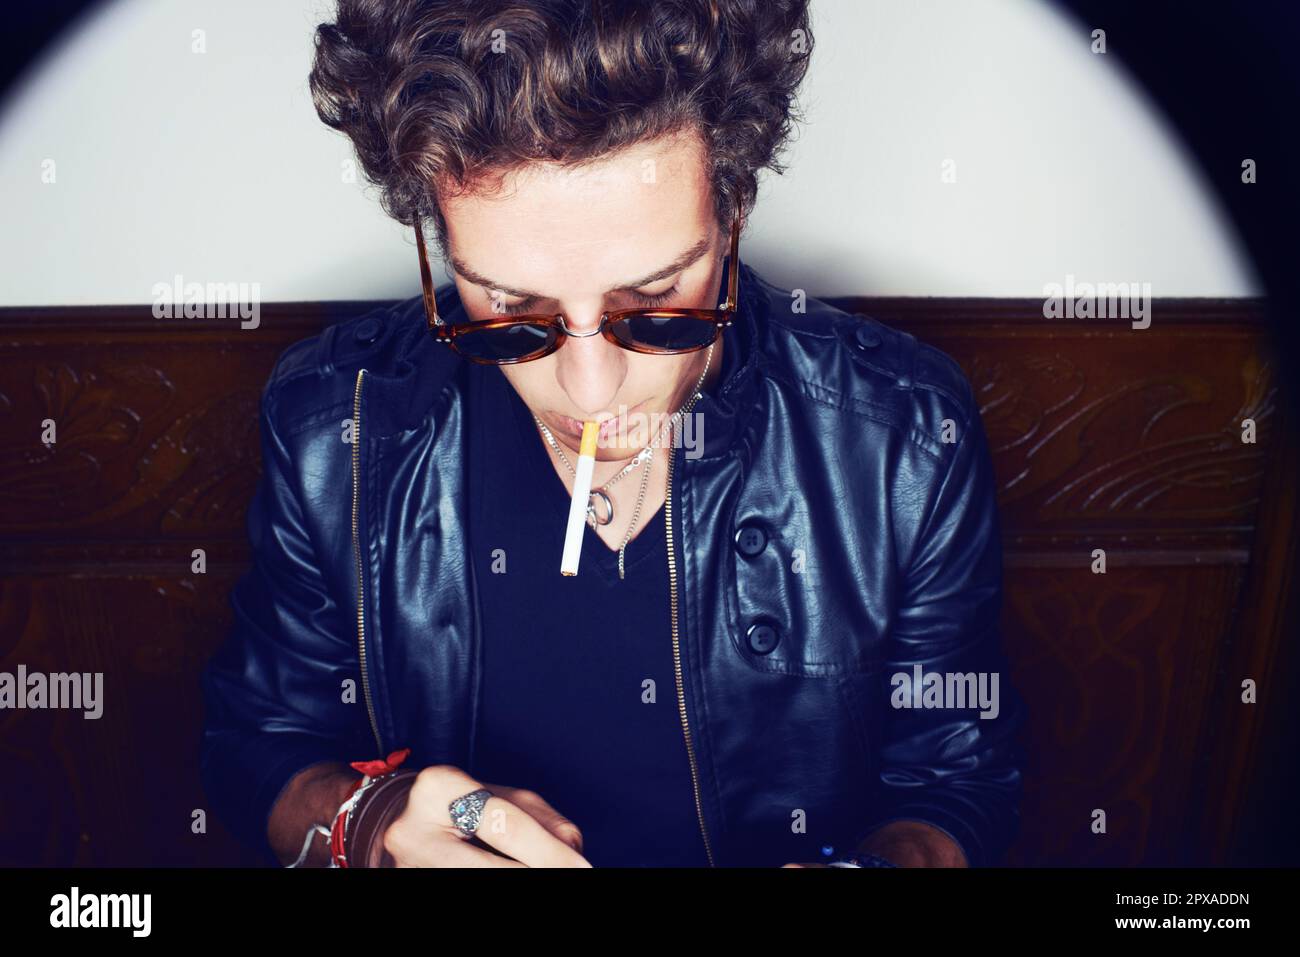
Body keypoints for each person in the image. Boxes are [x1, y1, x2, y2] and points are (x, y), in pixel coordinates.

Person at [199, 0, 1026, 868]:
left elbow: (953, 780)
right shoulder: (335, 425)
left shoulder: (904, 434)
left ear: (732, 208)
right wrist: (366, 823)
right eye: (513, 310)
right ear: (437, 239)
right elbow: (260, 740)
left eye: (657, 302)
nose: (590, 388)